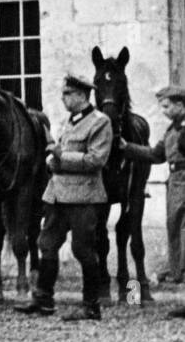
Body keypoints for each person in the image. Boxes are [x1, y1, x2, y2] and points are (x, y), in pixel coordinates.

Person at [16, 74, 113, 321]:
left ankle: (91, 306)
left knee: (83, 250)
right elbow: (57, 155)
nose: (63, 98)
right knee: (46, 245)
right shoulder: (68, 121)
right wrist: (51, 159)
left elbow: (96, 160)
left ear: (81, 96)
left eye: (67, 94)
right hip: (58, 196)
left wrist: (60, 156)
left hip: (83, 198)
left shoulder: (100, 122)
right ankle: (43, 299)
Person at [119, 84, 185, 316]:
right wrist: (128, 148)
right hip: (176, 182)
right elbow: (156, 155)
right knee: (176, 232)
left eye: (167, 106)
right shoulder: (171, 130)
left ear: (180, 105)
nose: (164, 111)